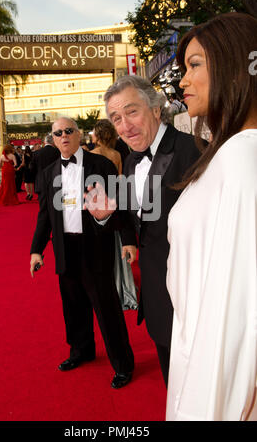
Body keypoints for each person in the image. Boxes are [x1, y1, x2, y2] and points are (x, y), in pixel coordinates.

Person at [165, 12, 257, 421]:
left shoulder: (242, 157)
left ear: (236, 66)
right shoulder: (230, 153)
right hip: (196, 359)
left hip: (213, 383)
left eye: (194, 65)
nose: (182, 80)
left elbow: (236, 318)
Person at [104, 75, 203, 386]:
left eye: (131, 112)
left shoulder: (196, 152)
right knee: (173, 390)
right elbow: (139, 216)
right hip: (159, 300)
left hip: (195, 301)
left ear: (157, 110)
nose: (124, 126)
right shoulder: (132, 162)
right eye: (115, 118)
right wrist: (108, 216)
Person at [30, 116, 135, 389]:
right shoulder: (49, 172)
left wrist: (127, 239)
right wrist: (36, 250)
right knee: (73, 306)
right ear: (52, 140)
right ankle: (81, 351)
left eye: (68, 131)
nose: (63, 136)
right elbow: (44, 215)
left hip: (95, 246)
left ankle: (123, 364)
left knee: (107, 307)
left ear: (79, 135)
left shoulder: (101, 165)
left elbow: (120, 205)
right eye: (58, 133)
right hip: (65, 247)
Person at [91, 119, 138, 310]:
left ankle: (104, 288)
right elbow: (120, 181)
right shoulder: (117, 154)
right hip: (115, 201)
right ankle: (121, 286)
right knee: (117, 245)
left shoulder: (91, 154)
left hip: (97, 205)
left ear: (98, 135)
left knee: (100, 249)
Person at [29, 133, 60, 202]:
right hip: (55, 181)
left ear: (45, 142)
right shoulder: (58, 152)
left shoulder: (36, 153)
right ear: (53, 142)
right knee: (55, 205)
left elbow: (31, 168)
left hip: (41, 182)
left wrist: (37, 177)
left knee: (43, 206)